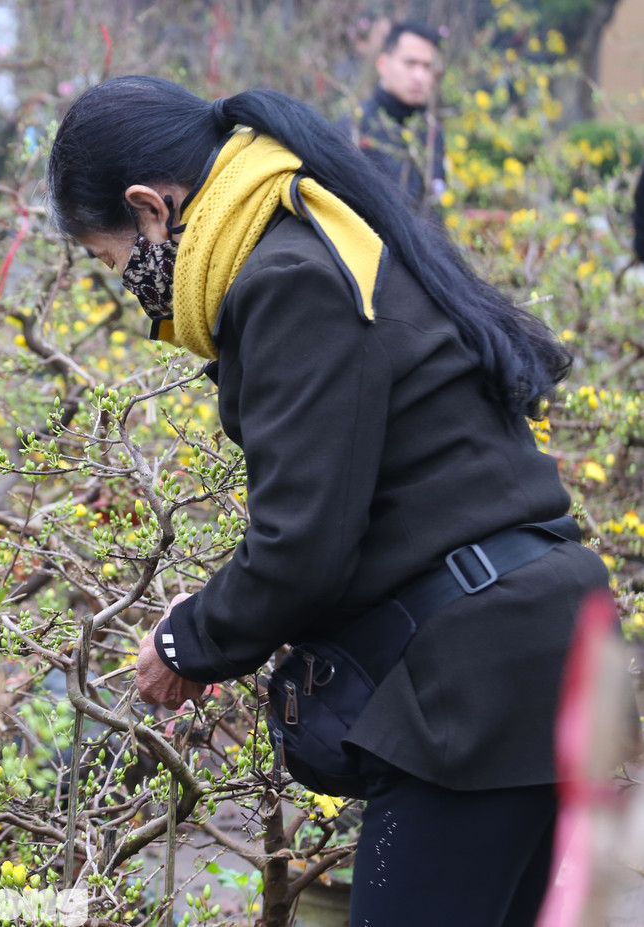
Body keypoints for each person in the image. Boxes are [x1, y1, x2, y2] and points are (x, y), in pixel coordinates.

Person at [46, 75, 622, 926]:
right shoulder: (324, 237)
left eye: (111, 258)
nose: (127, 286)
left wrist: (186, 640)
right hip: (538, 652)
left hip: (474, 689)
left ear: (151, 209)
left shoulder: (290, 275)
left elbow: (301, 546)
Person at [347, 20, 446, 211]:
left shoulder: (431, 130)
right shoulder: (356, 127)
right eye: (410, 63)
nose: (419, 76)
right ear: (383, 64)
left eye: (427, 67)